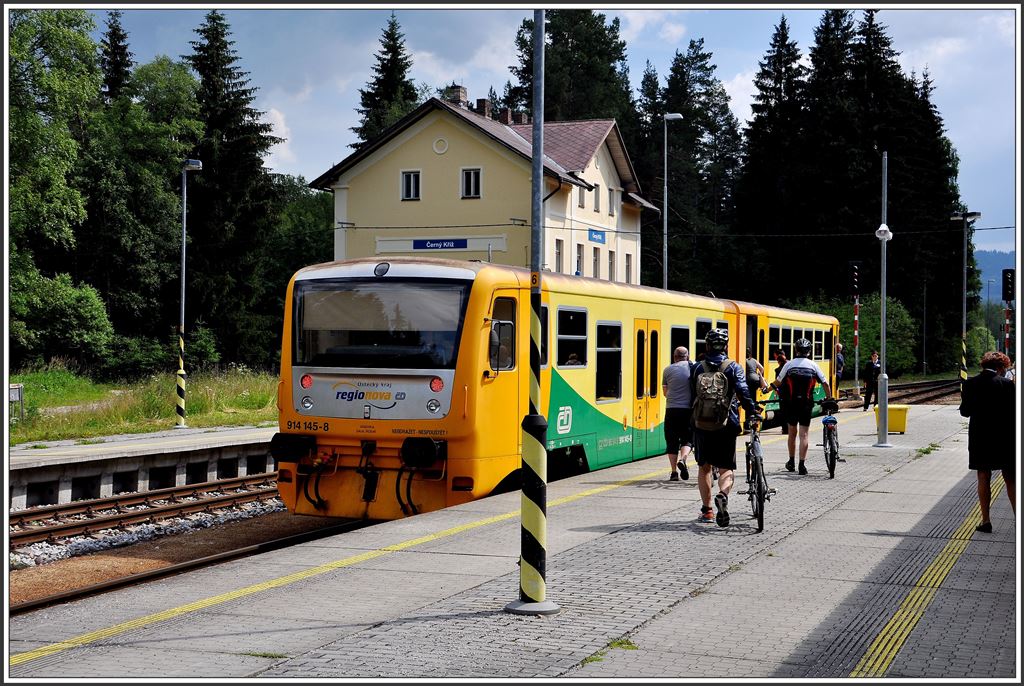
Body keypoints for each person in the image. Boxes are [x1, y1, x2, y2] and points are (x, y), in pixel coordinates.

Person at [690, 328, 758, 527]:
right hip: (726, 425)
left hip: (701, 424)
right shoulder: (733, 367)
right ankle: (723, 494)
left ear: (707, 346)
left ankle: (707, 511)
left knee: (704, 468)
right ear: (726, 346)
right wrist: (752, 411)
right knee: (726, 468)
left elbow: (691, 397)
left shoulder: (697, 368)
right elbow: (743, 392)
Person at [959, 351, 1016, 532]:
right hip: (1005, 437)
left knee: (983, 476)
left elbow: (965, 412)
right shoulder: (1007, 384)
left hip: (980, 437)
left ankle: (986, 521)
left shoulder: (970, 384)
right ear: (1000, 367)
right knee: (1010, 478)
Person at [774, 338, 832, 475]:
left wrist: (767, 389)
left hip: (791, 403)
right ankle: (802, 465)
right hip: (806, 404)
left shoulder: (789, 365)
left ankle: (791, 462)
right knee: (804, 434)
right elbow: (825, 384)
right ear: (809, 352)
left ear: (796, 350)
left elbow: (778, 381)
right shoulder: (813, 365)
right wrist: (829, 398)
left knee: (792, 433)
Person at [662, 346, 695, 481]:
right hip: (688, 410)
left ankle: (674, 472)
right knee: (688, 438)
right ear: (687, 356)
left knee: (672, 441)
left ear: (674, 357)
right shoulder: (694, 367)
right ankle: (683, 459)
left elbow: (665, 393)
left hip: (671, 409)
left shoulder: (667, 370)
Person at [773, 349, 790, 433]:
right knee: (789, 410)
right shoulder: (790, 368)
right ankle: (790, 427)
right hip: (790, 391)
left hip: (782, 392)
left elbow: (777, 382)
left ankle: (785, 429)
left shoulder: (778, 370)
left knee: (783, 410)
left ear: (778, 361)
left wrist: (775, 391)